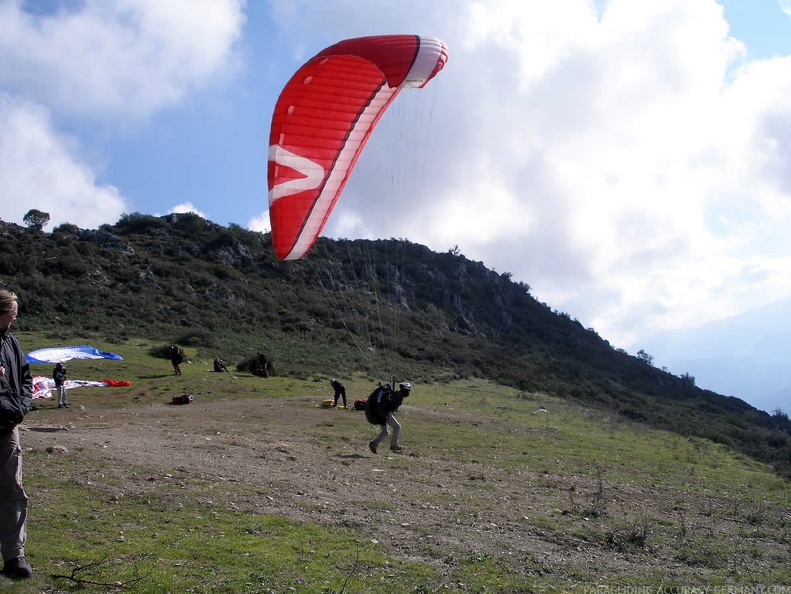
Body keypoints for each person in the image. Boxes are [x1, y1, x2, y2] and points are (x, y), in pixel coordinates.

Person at [0, 290, 33, 578]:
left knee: (12, 488)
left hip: (7, 426)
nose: (16, 315)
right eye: (12, 310)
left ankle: (14, 555)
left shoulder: (11, 342)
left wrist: (20, 406)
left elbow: (25, 377)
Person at [366, 381, 411, 454]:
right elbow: (391, 407)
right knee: (397, 427)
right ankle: (393, 445)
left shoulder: (395, 394)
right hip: (385, 414)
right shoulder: (399, 396)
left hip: (381, 413)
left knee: (385, 431)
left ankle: (373, 443)